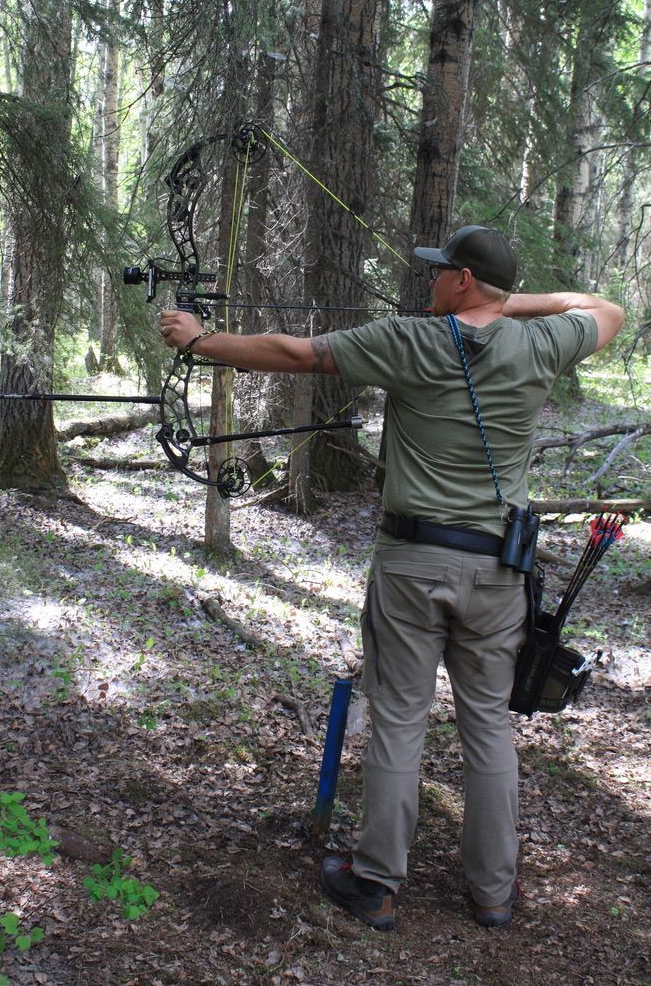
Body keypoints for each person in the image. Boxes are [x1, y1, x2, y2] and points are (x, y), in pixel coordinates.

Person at [159, 225, 624, 931]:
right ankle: (493, 892)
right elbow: (606, 309)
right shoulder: (541, 343)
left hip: (414, 564)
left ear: (463, 281)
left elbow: (295, 354)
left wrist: (200, 341)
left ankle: (376, 882)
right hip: (499, 572)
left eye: (443, 273)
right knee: (490, 729)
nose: (431, 281)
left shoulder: (412, 339)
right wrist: (508, 305)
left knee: (401, 720)